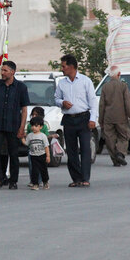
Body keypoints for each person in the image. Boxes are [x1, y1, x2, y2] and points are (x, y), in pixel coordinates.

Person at [54, 54, 98, 188]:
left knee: (85, 148)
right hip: (68, 119)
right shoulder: (62, 83)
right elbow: (56, 99)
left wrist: (92, 119)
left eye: (63, 66)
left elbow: (93, 102)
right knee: (71, 150)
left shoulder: (85, 81)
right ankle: (76, 178)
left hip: (84, 118)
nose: (62, 69)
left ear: (71, 66)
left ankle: (85, 178)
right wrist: (62, 103)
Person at [0, 60, 30, 189]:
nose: (2, 73)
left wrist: (22, 127)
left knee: (13, 154)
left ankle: (13, 181)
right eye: (2, 70)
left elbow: (24, 109)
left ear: (12, 72)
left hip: (13, 125)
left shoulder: (21, 87)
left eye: (5, 70)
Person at [98, 65, 130, 166]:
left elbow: (102, 105)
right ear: (119, 74)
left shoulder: (105, 87)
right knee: (123, 136)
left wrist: (100, 120)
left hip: (108, 118)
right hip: (121, 117)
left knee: (109, 138)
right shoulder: (123, 86)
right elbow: (128, 103)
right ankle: (120, 153)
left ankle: (115, 160)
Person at [23, 116, 50, 190]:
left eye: (36, 126)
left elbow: (46, 146)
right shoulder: (29, 136)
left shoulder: (43, 136)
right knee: (34, 170)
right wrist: (22, 139)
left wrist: (48, 156)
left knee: (43, 169)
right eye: (32, 126)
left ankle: (45, 182)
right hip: (33, 155)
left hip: (42, 155)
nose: (34, 127)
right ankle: (35, 184)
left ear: (41, 127)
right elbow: (26, 143)